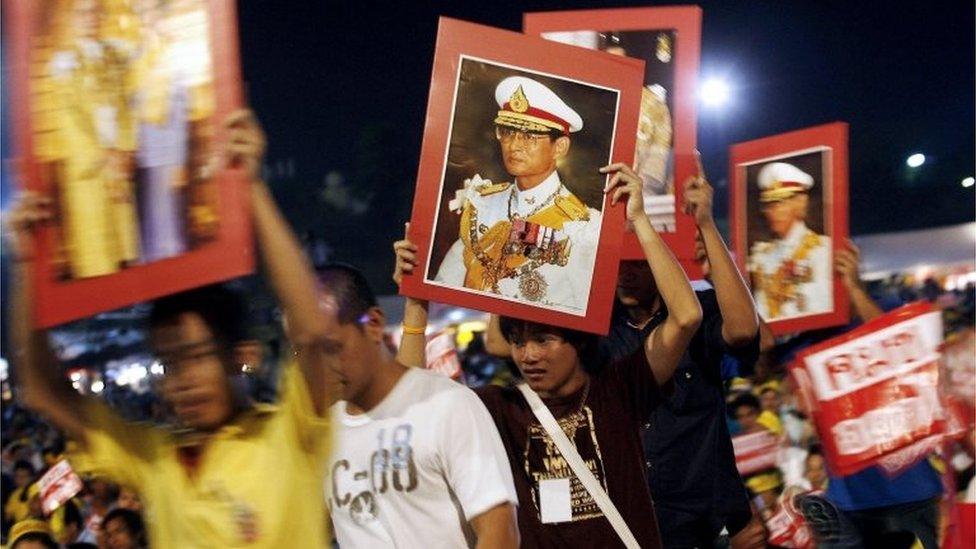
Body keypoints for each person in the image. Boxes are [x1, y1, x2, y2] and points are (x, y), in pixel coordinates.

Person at [8, 110, 334, 547]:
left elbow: (312, 332)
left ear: (242, 356)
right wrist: (28, 264)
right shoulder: (153, 458)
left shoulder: (292, 433)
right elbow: (39, 387)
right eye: (169, 364)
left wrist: (252, 185)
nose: (182, 381)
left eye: (198, 356)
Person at [398, 163, 702, 547]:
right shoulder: (501, 408)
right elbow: (410, 405)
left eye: (543, 340)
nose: (528, 356)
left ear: (578, 341)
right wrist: (414, 307)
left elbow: (687, 317)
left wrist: (639, 220)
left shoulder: (619, 390)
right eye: (519, 341)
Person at [320, 263, 520, 548]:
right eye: (303, 350)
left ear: (374, 324)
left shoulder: (449, 405)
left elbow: (500, 532)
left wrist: (416, 304)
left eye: (330, 346)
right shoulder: (320, 434)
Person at [434, 76, 600, 313]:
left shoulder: (582, 226)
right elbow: (442, 294)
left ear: (560, 147)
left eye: (530, 136)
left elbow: (584, 312)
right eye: (508, 132)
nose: (514, 145)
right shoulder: (482, 203)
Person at [748, 161, 831, 320]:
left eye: (779, 203)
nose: (772, 212)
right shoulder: (761, 255)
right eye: (769, 205)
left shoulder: (822, 249)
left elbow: (822, 306)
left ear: (800, 202)